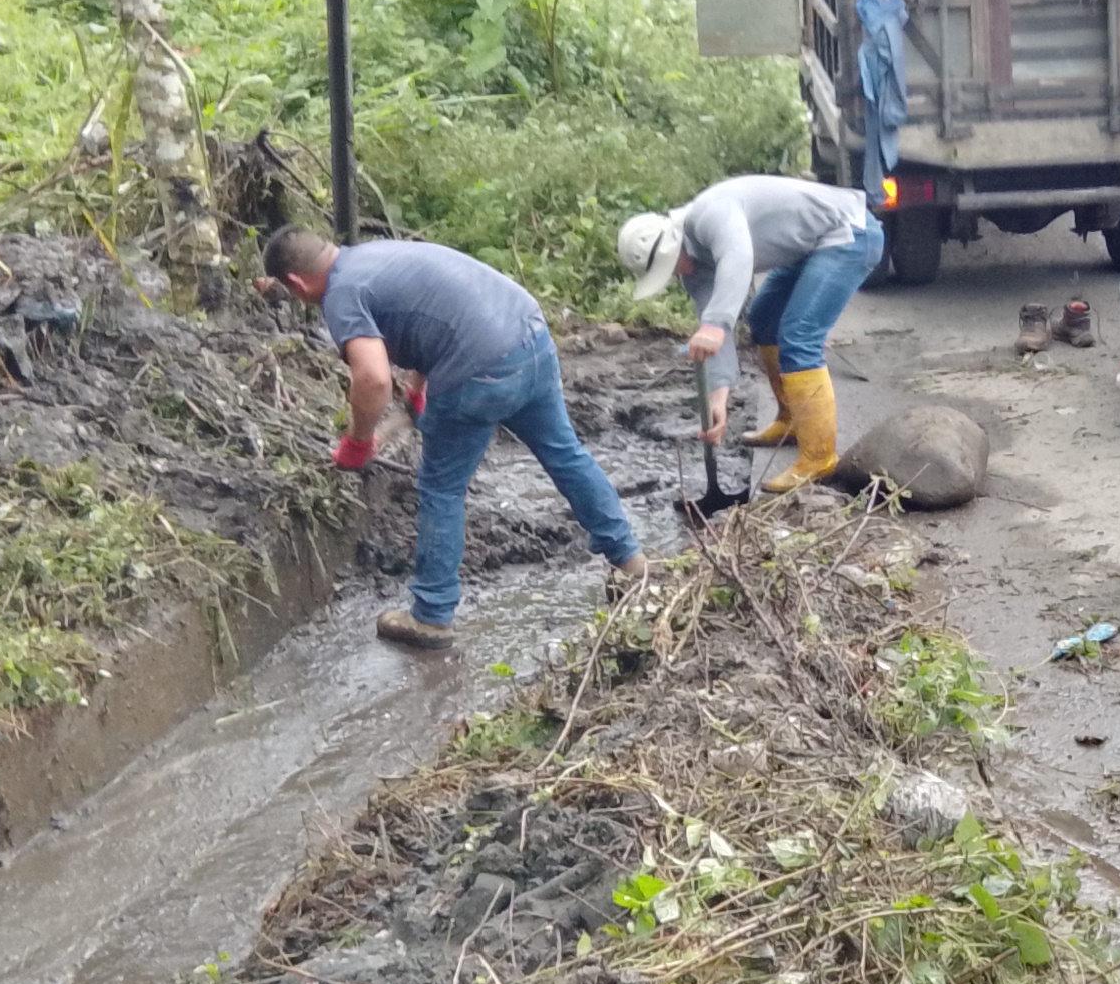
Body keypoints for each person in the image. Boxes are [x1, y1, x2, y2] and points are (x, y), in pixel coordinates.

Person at [260, 228, 645, 648]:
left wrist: (358, 442)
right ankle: (631, 563)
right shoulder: (375, 255)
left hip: (481, 369)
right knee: (565, 454)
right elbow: (434, 312)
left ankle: (431, 615)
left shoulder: (341, 294)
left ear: (295, 283)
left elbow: (372, 379)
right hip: (530, 337)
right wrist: (418, 388)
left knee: (441, 488)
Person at [617, 176, 883, 494]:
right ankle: (791, 420)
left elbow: (738, 255)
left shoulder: (709, 213)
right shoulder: (695, 272)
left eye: (670, 266)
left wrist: (716, 323)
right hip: (809, 249)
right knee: (764, 320)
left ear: (675, 245)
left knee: (798, 336)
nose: (674, 273)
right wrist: (718, 398)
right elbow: (715, 332)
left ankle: (819, 457)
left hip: (849, 233)